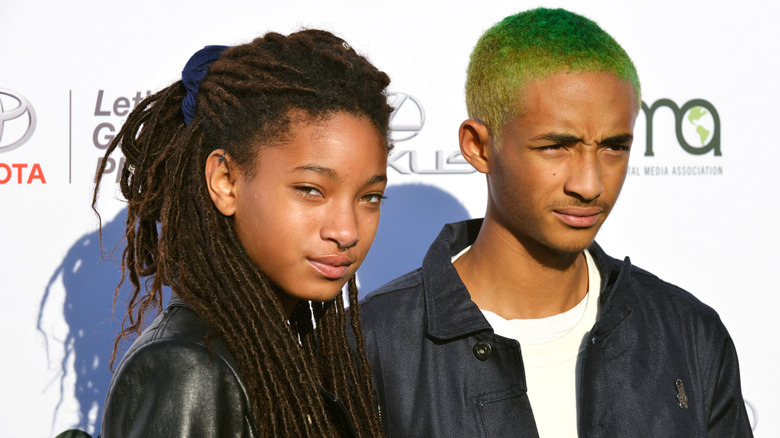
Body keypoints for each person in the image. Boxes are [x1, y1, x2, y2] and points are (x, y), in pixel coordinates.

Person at [358, 8, 752, 437]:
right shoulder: (370, 346)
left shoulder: (690, 334)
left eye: (614, 147)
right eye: (556, 147)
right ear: (478, 147)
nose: (590, 184)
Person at [93, 29, 392, 437]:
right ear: (226, 181)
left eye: (370, 197)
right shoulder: (190, 369)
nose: (346, 230)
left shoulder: (278, 351)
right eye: (310, 190)